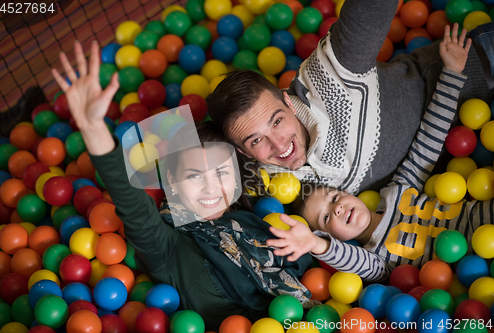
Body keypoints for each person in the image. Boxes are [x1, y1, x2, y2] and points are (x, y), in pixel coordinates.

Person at [51, 41, 314, 331]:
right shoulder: (167, 246)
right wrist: (93, 129)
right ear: (172, 184)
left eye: (221, 173)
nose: (212, 188)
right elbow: (133, 206)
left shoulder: (249, 222)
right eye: (194, 176)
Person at [265, 24, 493, 282]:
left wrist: (452, 74)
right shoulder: (378, 259)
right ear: (332, 237)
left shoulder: (399, 191)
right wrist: (316, 245)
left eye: (334, 198)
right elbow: (358, 263)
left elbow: (429, 141)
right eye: (326, 217)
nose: (338, 208)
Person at [206, 0, 493, 195]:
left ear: (288, 102)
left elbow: (369, 10)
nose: (280, 145)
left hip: (478, 68)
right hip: (468, 178)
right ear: (241, 152)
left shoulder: (331, 77)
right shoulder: (264, 181)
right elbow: (182, 195)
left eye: (277, 121)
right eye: (256, 140)